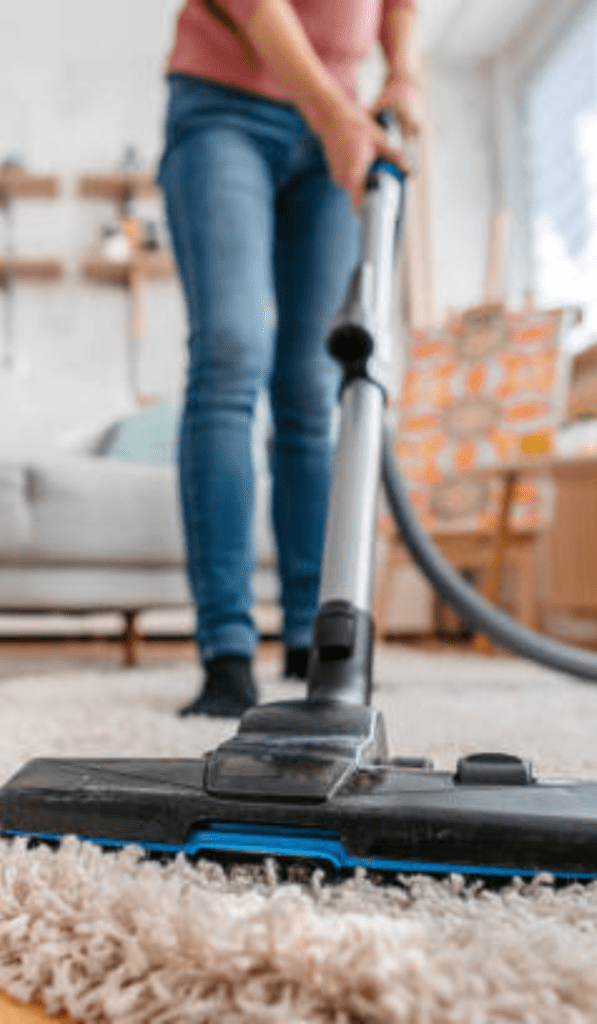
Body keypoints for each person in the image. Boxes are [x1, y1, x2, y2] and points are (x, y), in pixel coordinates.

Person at [160, 0, 421, 717]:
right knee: (230, 355)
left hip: (342, 115)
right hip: (224, 107)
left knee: (314, 383)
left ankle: (314, 642)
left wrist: (404, 73)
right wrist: (335, 115)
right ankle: (227, 653)